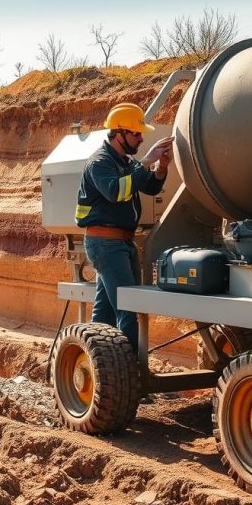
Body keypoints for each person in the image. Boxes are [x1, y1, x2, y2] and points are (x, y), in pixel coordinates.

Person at [75, 103, 173, 352]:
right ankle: (133, 375)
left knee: (105, 310)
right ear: (119, 134)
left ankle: (99, 362)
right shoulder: (100, 162)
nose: (141, 138)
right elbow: (115, 191)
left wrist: (161, 167)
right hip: (105, 244)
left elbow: (149, 187)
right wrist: (145, 161)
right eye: (136, 133)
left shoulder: (124, 162)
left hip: (121, 244)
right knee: (128, 310)